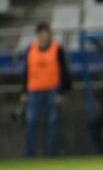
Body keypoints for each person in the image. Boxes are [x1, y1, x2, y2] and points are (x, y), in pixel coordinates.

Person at [21, 22, 71, 157]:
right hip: (34, 90)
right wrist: (24, 91)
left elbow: (64, 71)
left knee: (53, 122)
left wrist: (61, 92)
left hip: (52, 90)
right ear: (38, 35)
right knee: (31, 121)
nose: (45, 37)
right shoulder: (30, 49)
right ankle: (30, 153)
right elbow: (26, 71)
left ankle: (51, 154)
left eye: (47, 34)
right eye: (42, 34)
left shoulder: (57, 49)